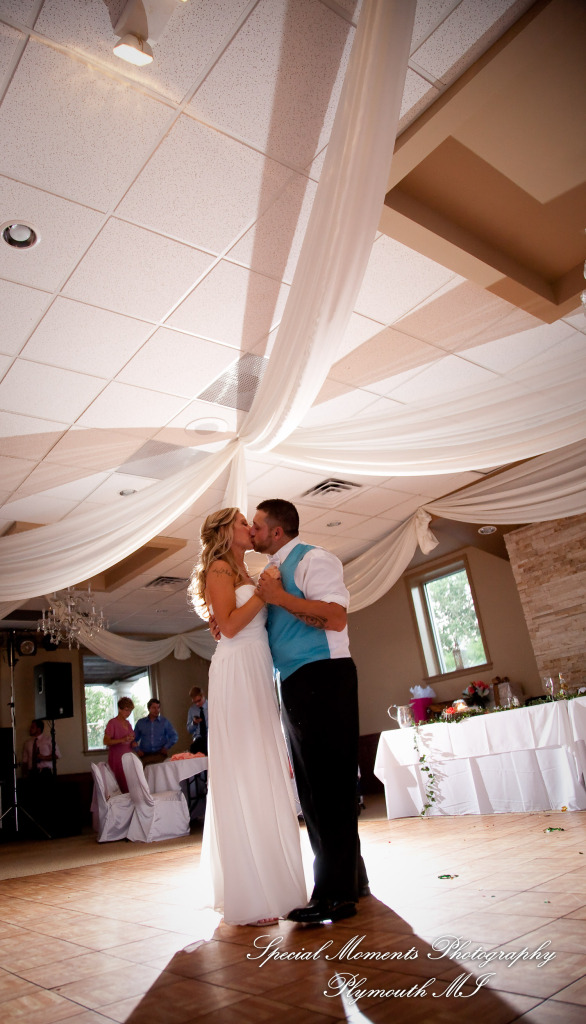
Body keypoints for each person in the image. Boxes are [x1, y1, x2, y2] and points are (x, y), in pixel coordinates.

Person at [252, 498, 369, 924]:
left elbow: (336, 618)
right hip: (297, 681)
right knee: (314, 789)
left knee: (330, 788)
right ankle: (353, 877)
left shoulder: (314, 560)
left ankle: (335, 895)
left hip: (325, 675)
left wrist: (279, 597)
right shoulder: (270, 575)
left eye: (258, 526)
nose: (252, 531)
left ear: (277, 532)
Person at [188, 507, 306, 926]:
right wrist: (264, 593)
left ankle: (273, 881)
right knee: (244, 770)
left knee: (261, 768)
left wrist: (265, 592)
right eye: (242, 522)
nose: (249, 528)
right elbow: (231, 626)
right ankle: (250, 892)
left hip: (257, 667)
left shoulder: (246, 567)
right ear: (224, 530)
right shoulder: (220, 567)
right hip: (236, 669)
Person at [103, 696, 136, 792]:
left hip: (128, 757)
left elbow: (130, 739)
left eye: (130, 711)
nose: (128, 713)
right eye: (126, 710)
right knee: (122, 786)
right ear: (120, 709)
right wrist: (122, 739)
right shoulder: (112, 723)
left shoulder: (128, 723)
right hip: (117, 759)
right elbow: (106, 741)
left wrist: (133, 743)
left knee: (131, 785)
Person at [134, 699, 178, 766]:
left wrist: (166, 747)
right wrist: (137, 750)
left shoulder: (164, 722)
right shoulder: (141, 723)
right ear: (149, 709)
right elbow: (133, 739)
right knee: (146, 775)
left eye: (158, 707)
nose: (157, 710)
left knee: (162, 774)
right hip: (145, 756)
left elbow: (174, 736)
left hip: (160, 755)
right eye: (154, 708)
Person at [187, 686, 208, 755]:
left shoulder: (212, 706)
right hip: (198, 741)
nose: (197, 704)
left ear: (203, 696)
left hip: (211, 739)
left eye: (199, 700)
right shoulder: (192, 710)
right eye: (195, 702)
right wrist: (194, 723)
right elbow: (189, 730)